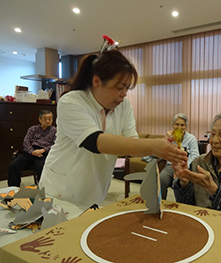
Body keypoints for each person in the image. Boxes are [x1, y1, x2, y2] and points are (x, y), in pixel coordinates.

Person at [39, 36, 187, 206]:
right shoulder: (71, 101)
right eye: (119, 87)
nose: (124, 94)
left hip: (94, 191)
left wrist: (164, 146)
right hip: (59, 191)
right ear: (96, 81)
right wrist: (154, 145)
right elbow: (95, 142)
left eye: (127, 88)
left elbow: (132, 145)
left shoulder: (124, 107)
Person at [8, 110, 56, 187]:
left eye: (50, 119)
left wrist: (43, 150)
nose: (47, 121)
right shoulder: (33, 129)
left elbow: (55, 145)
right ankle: (14, 189)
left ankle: (42, 189)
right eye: (45, 118)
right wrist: (32, 152)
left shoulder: (54, 131)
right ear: (39, 119)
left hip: (43, 153)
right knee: (13, 166)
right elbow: (26, 142)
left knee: (42, 168)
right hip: (30, 152)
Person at [159, 113, 199, 200]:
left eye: (182, 125)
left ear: (186, 126)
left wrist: (181, 168)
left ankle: (180, 205)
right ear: (173, 125)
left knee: (177, 182)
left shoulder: (191, 138)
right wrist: (165, 139)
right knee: (162, 179)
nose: (179, 127)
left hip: (186, 167)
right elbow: (161, 152)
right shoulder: (170, 137)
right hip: (170, 166)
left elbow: (195, 156)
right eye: (177, 124)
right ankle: (161, 204)